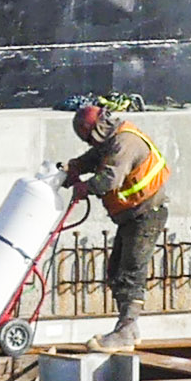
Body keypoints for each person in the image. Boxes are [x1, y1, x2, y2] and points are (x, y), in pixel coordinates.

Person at [59, 96, 171, 352]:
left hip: (147, 213)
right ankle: (128, 328)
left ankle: (126, 329)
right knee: (116, 272)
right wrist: (72, 168)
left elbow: (110, 179)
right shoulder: (110, 139)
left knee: (131, 272)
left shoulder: (124, 142)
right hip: (133, 215)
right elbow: (94, 157)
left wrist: (84, 188)